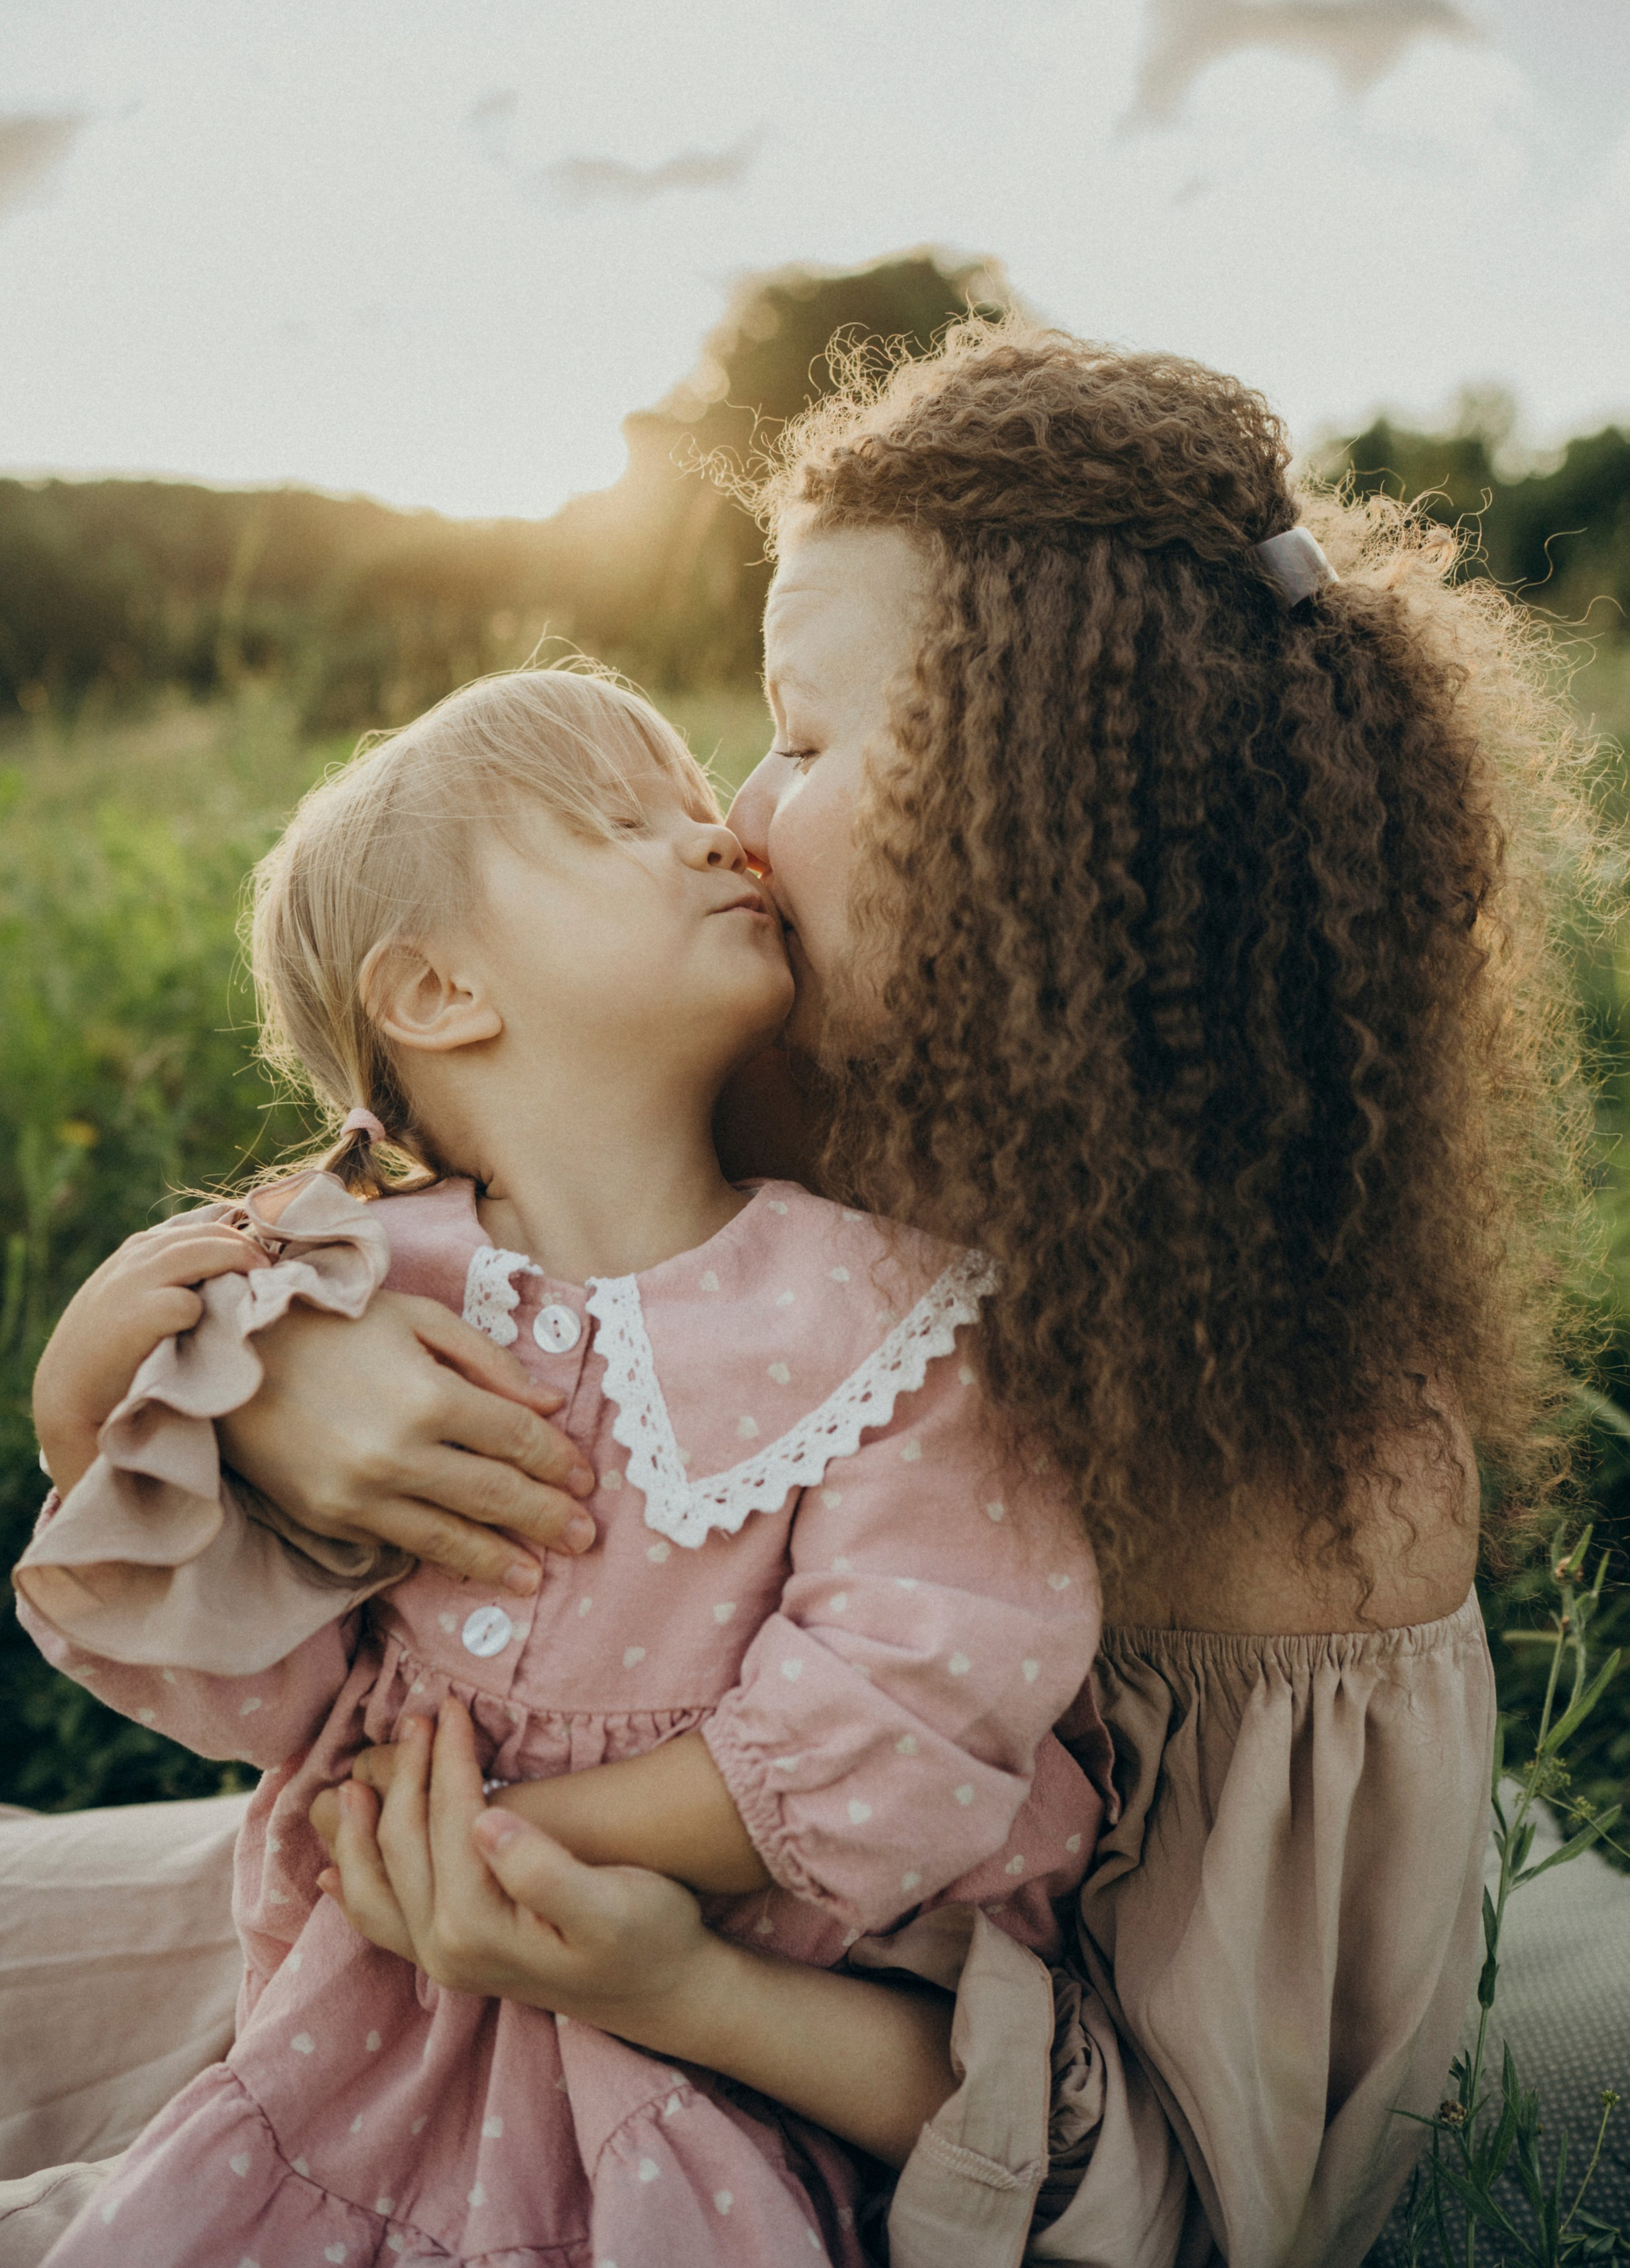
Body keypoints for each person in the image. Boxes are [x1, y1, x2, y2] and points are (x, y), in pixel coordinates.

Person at [5, 324, 1598, 2265]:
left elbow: (1200, 2203)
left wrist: (671, 1981)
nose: (738, 815)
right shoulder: (788, 1075)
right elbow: (389, 1175)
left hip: (702, 2051)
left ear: (1047, 819)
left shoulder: (1314, 1481)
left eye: (810, 739)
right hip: (375, 1929)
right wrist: (288, 1380)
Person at [14, 663, 1105, 2267]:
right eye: (618, 822)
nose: (713, 836)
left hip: (701, 2067)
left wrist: (500, 1839)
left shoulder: (889, 1309)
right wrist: (86, 1384)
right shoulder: (348, 1290)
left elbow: (907, 1712)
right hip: (359, 2050)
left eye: (691, 799)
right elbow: (256, 1677)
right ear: (440, 992)